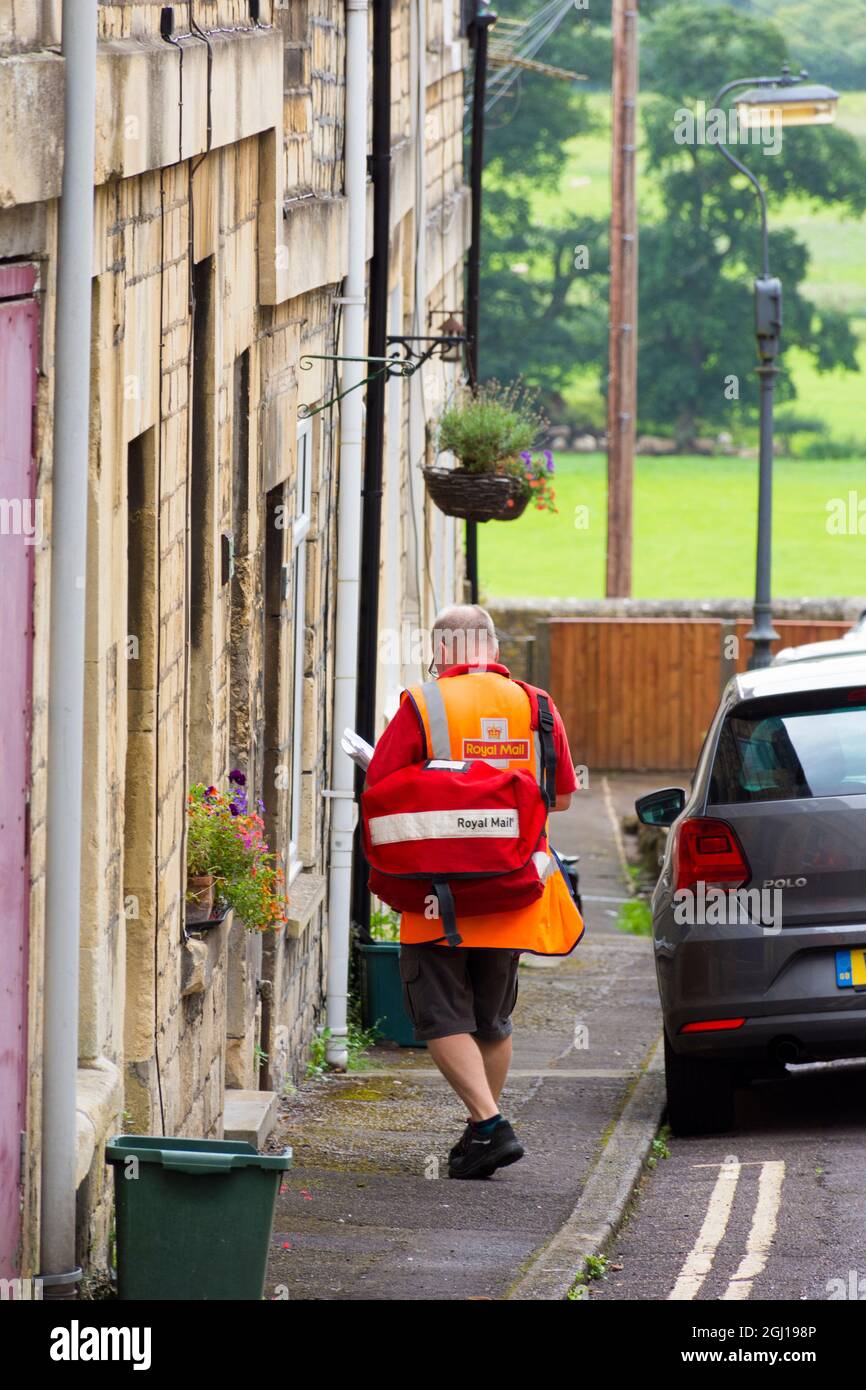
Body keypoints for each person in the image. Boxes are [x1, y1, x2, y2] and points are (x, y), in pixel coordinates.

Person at [364, 604, 583, 1179]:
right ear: (491, 646)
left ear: (441, 650)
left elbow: (381, 788)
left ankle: (489, 1126)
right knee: (491, 1019)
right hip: (513, 887)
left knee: (438, 1013)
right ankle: (479, 1133)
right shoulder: (537, 706)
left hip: (438, 890)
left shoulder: (423, 703)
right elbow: (560, 797)